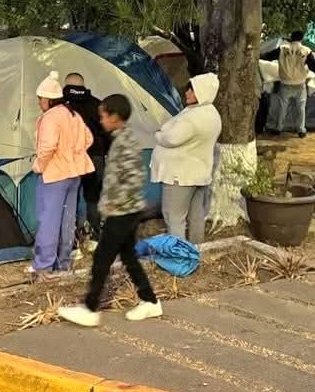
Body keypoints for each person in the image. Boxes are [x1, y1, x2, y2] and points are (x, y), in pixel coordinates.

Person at [58, 95, 161, 327]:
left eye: (103, 116)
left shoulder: (126, 142)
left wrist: (114, 206)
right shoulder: (120, 139)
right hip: (123, 210)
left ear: (115, 117)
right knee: (129, 257)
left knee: (102, 259)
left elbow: (134, 179)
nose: (101, 120)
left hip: (123, 212)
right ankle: (150, 301)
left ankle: (90, 307)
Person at [28, 71, 93, 277]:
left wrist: (39, 165)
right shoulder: (73, 114)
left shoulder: (49, 118)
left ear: (48, 99)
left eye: (40, 99)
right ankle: (62, 263)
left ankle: (43, 265)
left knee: (48, 219)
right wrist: (72, 154)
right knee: (67, 219)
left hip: (54, 174)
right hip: (74, 174)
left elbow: (48, 146)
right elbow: (88, 139)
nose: (39, 102)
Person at [150, 73, 222, 243]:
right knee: (196, 216)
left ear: (202, 92)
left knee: (174, 217)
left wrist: (158, 134)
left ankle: (179, 255)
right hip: (199, 174)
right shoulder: (212, 113)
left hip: (180, 176)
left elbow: (171, 138)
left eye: (192, 90)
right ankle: (197, 249)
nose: (187, 93)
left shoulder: (192, 118)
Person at [62, 72, 111, 237]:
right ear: (83, 85)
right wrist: (104, 152)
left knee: (69, 198)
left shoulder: (61, 106)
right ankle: (95, 235)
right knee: (93, 198)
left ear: (66, 86)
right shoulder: (97, 104)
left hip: (69, 159)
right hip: (95, 158)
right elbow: (107, 133)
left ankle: (70, 237)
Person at [260, 31, 315, 138]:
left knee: (282, 107)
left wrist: (257, 55)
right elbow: (313, 65)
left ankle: (278, 128)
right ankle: (301, 130)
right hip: (300, 83)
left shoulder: (282, 49)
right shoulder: (306, 50)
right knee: (301, 108)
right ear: (301, 39)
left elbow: (268, 56)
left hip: (285, 83)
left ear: (291, 38)